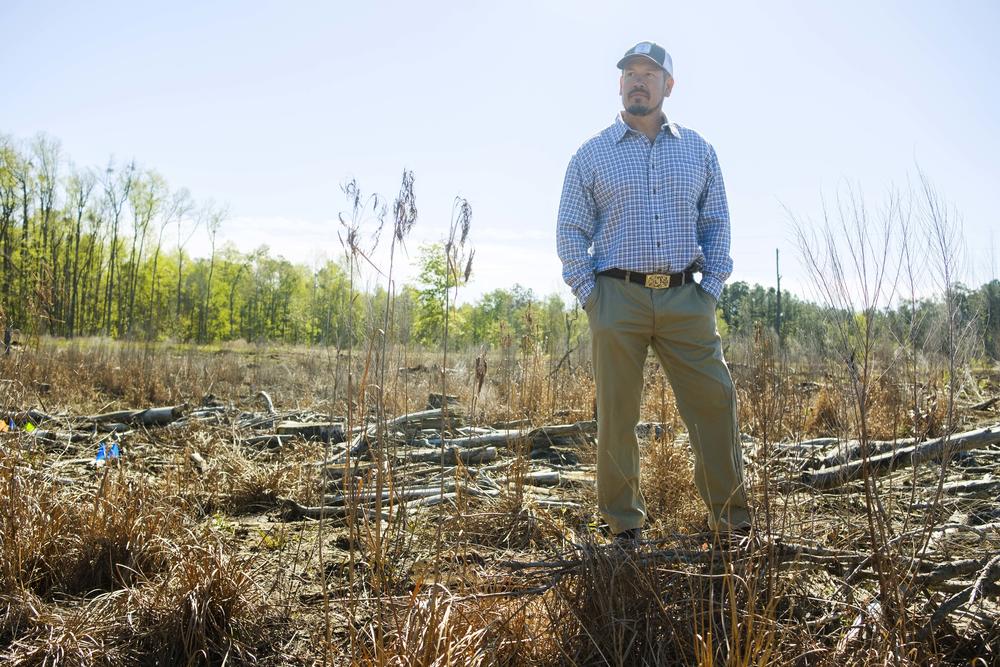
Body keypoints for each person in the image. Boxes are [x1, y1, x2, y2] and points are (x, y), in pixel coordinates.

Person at [556, 41, 750, 543]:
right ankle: (624, 528)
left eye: (649, 73)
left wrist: (711, 290)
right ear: (619, 84)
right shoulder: (591, 154)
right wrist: (590, 297)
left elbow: (717, 222)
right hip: (616, 297)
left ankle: (731, 523)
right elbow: (571, 229)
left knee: (715, 401)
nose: (638, 80)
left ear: (669, 85)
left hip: (687, 297)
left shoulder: (698, 149)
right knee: (617, 414)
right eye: (630, 74)